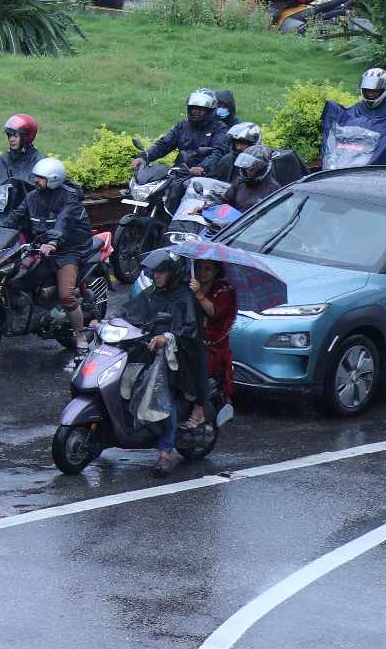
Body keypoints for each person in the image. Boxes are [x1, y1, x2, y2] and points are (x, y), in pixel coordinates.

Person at [118, 248, 203, 478]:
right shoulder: (154, 292)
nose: (156, 275)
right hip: (146, 349)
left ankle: (165, 451)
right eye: (155, 272)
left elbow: (188, 330)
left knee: (161, 393)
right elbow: (131, 310)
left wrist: (167, 338)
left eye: (161, 272)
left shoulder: (184, 297)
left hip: (176, 358)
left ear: (172, 273)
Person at [19, 156, 95, 350]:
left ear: (53, 179)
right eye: (36, 177)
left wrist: (53, 241)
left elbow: (64, 221)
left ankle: (80, 336)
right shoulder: (32, 197)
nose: (36, 180)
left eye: (41, 178)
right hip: (41, 248)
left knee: (66, 295)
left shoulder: (69, 198)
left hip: (68, 250)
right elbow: (15, 217)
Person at [321, 66, 386, 170]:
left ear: (384, 90)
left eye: (375, 91)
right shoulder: (358, 108)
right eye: (367, 90)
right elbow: (348, 123)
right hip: (359, 156)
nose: (370, 94)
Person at [136, 89, 229, 188]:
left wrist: (202, 167)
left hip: (205, 177)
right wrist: (144, 157)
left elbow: (218, 152)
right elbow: (164, 144)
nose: (196, 112)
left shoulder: (219, 128)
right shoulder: (183, 125)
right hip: (180, 172)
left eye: (201, 109)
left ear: (210, 111)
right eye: (193, 108)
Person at [188, 256, 236, 434]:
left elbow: (215, 312)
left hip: (212, 346)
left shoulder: (224, 290)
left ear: (216, 270)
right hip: (189, 339)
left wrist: (199, 295)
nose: (202, 272)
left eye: (207, 269)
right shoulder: (189, 284)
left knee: (198, 365)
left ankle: (199, 408)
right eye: (199, 267)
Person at [0, 114, 43, 189]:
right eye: (9, 135)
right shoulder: (5, 158)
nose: (11, 139)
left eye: (15, 136)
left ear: (26, 137)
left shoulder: (37, 163)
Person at [226, 144, 282, 213]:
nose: (248, 170)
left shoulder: (273, 188)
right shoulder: (239, 181)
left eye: (253, 167)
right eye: (247, 167)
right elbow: (225, 200)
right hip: (234, 220)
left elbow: (275, 215)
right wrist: (212, 206)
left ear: (263, 167)